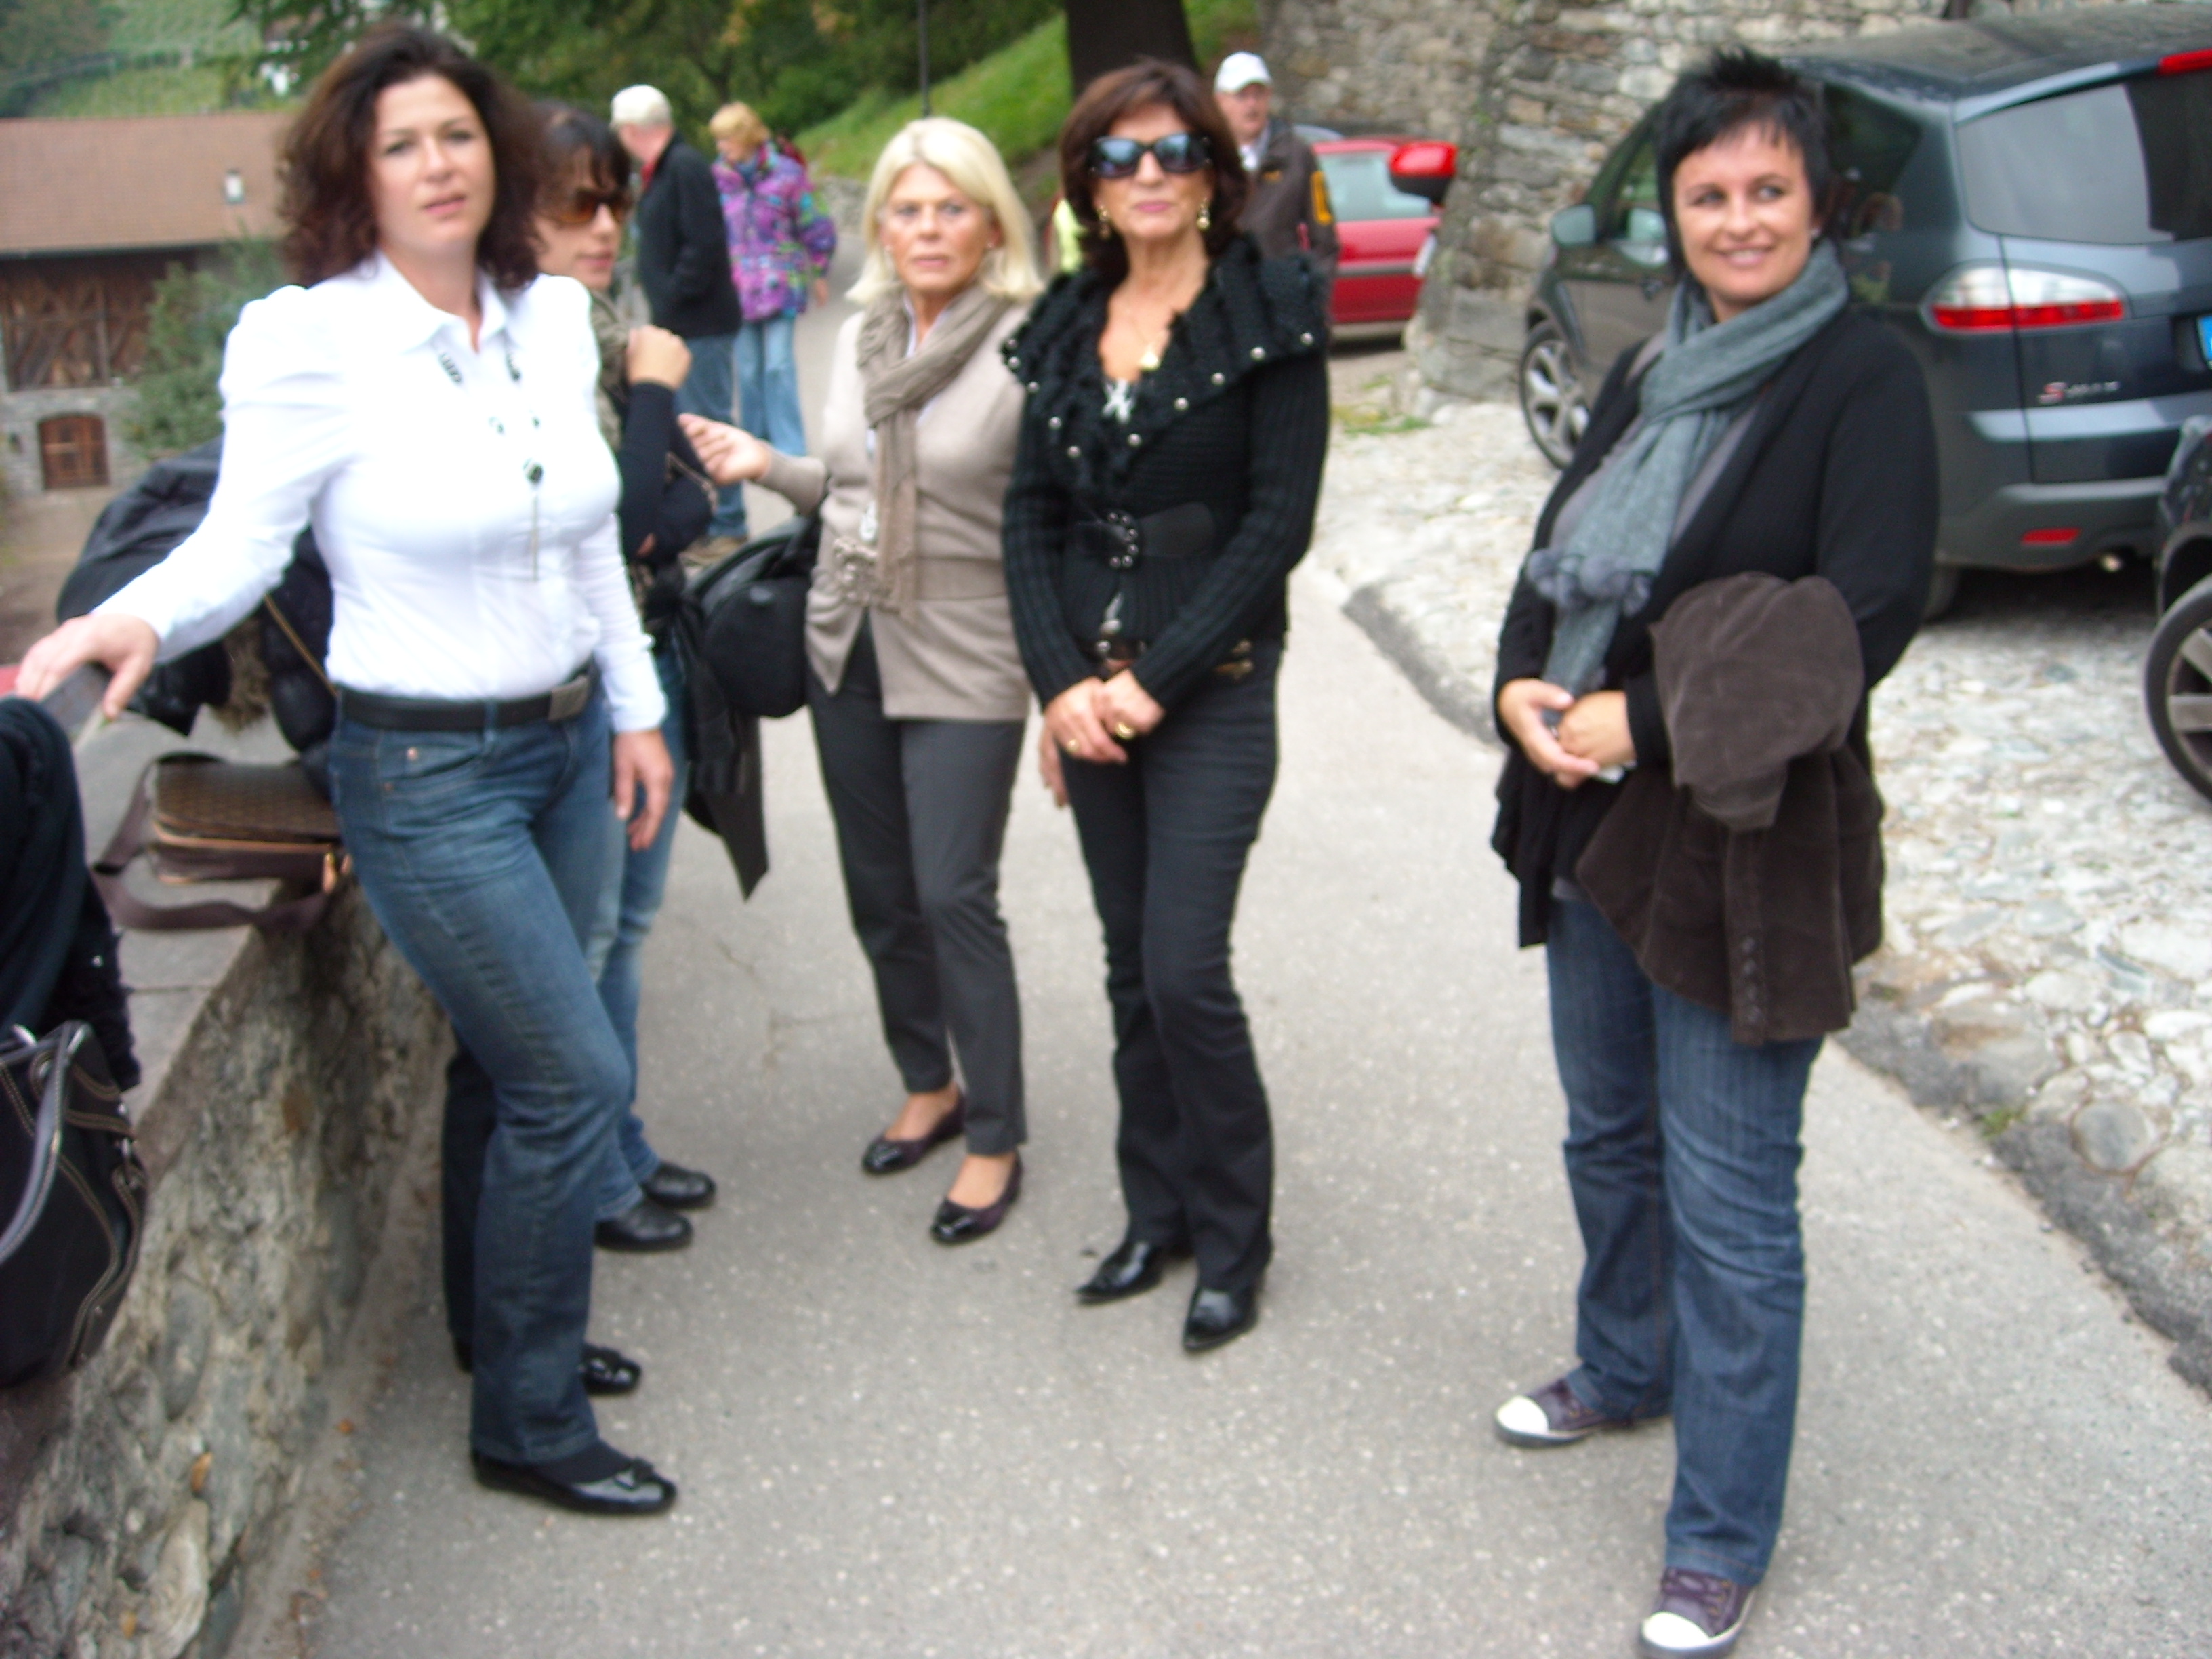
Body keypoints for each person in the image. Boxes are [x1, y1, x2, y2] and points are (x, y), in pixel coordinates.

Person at [19, 25, 681, 1519]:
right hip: (426, 773)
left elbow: (589, 538)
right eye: (400, 146)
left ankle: (500, 1330)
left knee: (503, 1065)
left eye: (457, 134)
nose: (436, 166)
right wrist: (134, 617)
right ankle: (530, 1415)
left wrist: (637, 712)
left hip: (570, 741)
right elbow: (240, 543)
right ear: (354, 177)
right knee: (573, 1074)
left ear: (495, 152)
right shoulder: (307, 341)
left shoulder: (549, 316)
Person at [1486, 49, 1936, 1658]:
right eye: (1707, 194)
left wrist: (1645, 719)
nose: (1738, 220)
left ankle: (1718, 1537)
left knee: (1733, 1199)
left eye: (1767, 190)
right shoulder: (1650, 365)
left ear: (1817, 203)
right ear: (1670, 214)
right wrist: (1520, 686)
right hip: (1592, 821)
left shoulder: (1861, 379)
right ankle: (1624, 1364)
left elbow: (1861, 619)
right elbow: (1558, 557)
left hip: (1746, 844)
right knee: (1609, 1135)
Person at [998, 60, 1330, 1353]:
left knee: (1185, 968)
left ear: (1213, 173)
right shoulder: (1064, 322)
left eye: (1176, 151)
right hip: (1090, 701)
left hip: (1212, 691)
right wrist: (1061, 685)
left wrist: (1148, 680)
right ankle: (1157, 1212)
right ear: (1085, 182)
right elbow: (1028, 519)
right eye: (1118, 155)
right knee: (1129, 967)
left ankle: (1235, 1240)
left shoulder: (1271, 309)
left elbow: (1274, 524)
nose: (1148, 174)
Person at [684, 117, 1044, 1244]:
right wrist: (768, 466)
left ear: (991, 225)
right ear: (880, 224)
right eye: (907, 208)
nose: (926, 229)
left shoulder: (1032, 344)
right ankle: (927, 1081)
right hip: (847, 637)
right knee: (879, 889)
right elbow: (848, 485)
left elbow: (1046, 523)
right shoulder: (861, 334)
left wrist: (1069, 677)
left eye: (951, 208)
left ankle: (995, 1133)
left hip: (968, 647)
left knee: (952, 891)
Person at [531, 102, 722, 1255]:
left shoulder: (605, 329)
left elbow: (689, 499)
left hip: (649, 654)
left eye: (614, 201)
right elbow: (639, 519)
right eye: (575, 205)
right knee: (596, 935)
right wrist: (653, 394)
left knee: (632, 924)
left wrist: (664, 482)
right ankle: (599, 1172)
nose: (604, 226)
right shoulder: (550, 349)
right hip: (598, 674)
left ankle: (623, 1141)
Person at [612, 84, 750, 550]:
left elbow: (705, 240)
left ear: (633, 130)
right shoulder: (664, 169)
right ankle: (716, 522)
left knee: (708, 422)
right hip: (686, 321)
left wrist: (672, 296)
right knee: (693, 421)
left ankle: (728, 523)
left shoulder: (684, 166)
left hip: (701, 321)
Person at [708, 100, 837, 458]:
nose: (722, 147)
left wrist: (819, 269)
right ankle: (756, 442)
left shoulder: (787, 174)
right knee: (749, 370)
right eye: (718, 140)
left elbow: (814, 222)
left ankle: (790, 447)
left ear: (746, 136)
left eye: (727, 138)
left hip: (781, 283)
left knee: (778, 365)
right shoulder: (717, 181)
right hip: (737, 289)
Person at [1212, 52, 1337, 295]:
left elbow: (1324, 237)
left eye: (1258, 95)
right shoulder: (1206, 157)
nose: (1251, 105)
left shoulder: (1296, 154)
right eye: (1242, 96)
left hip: (1281, 294)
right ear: (1221, 101)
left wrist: (1311, 295)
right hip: (1225, 298)